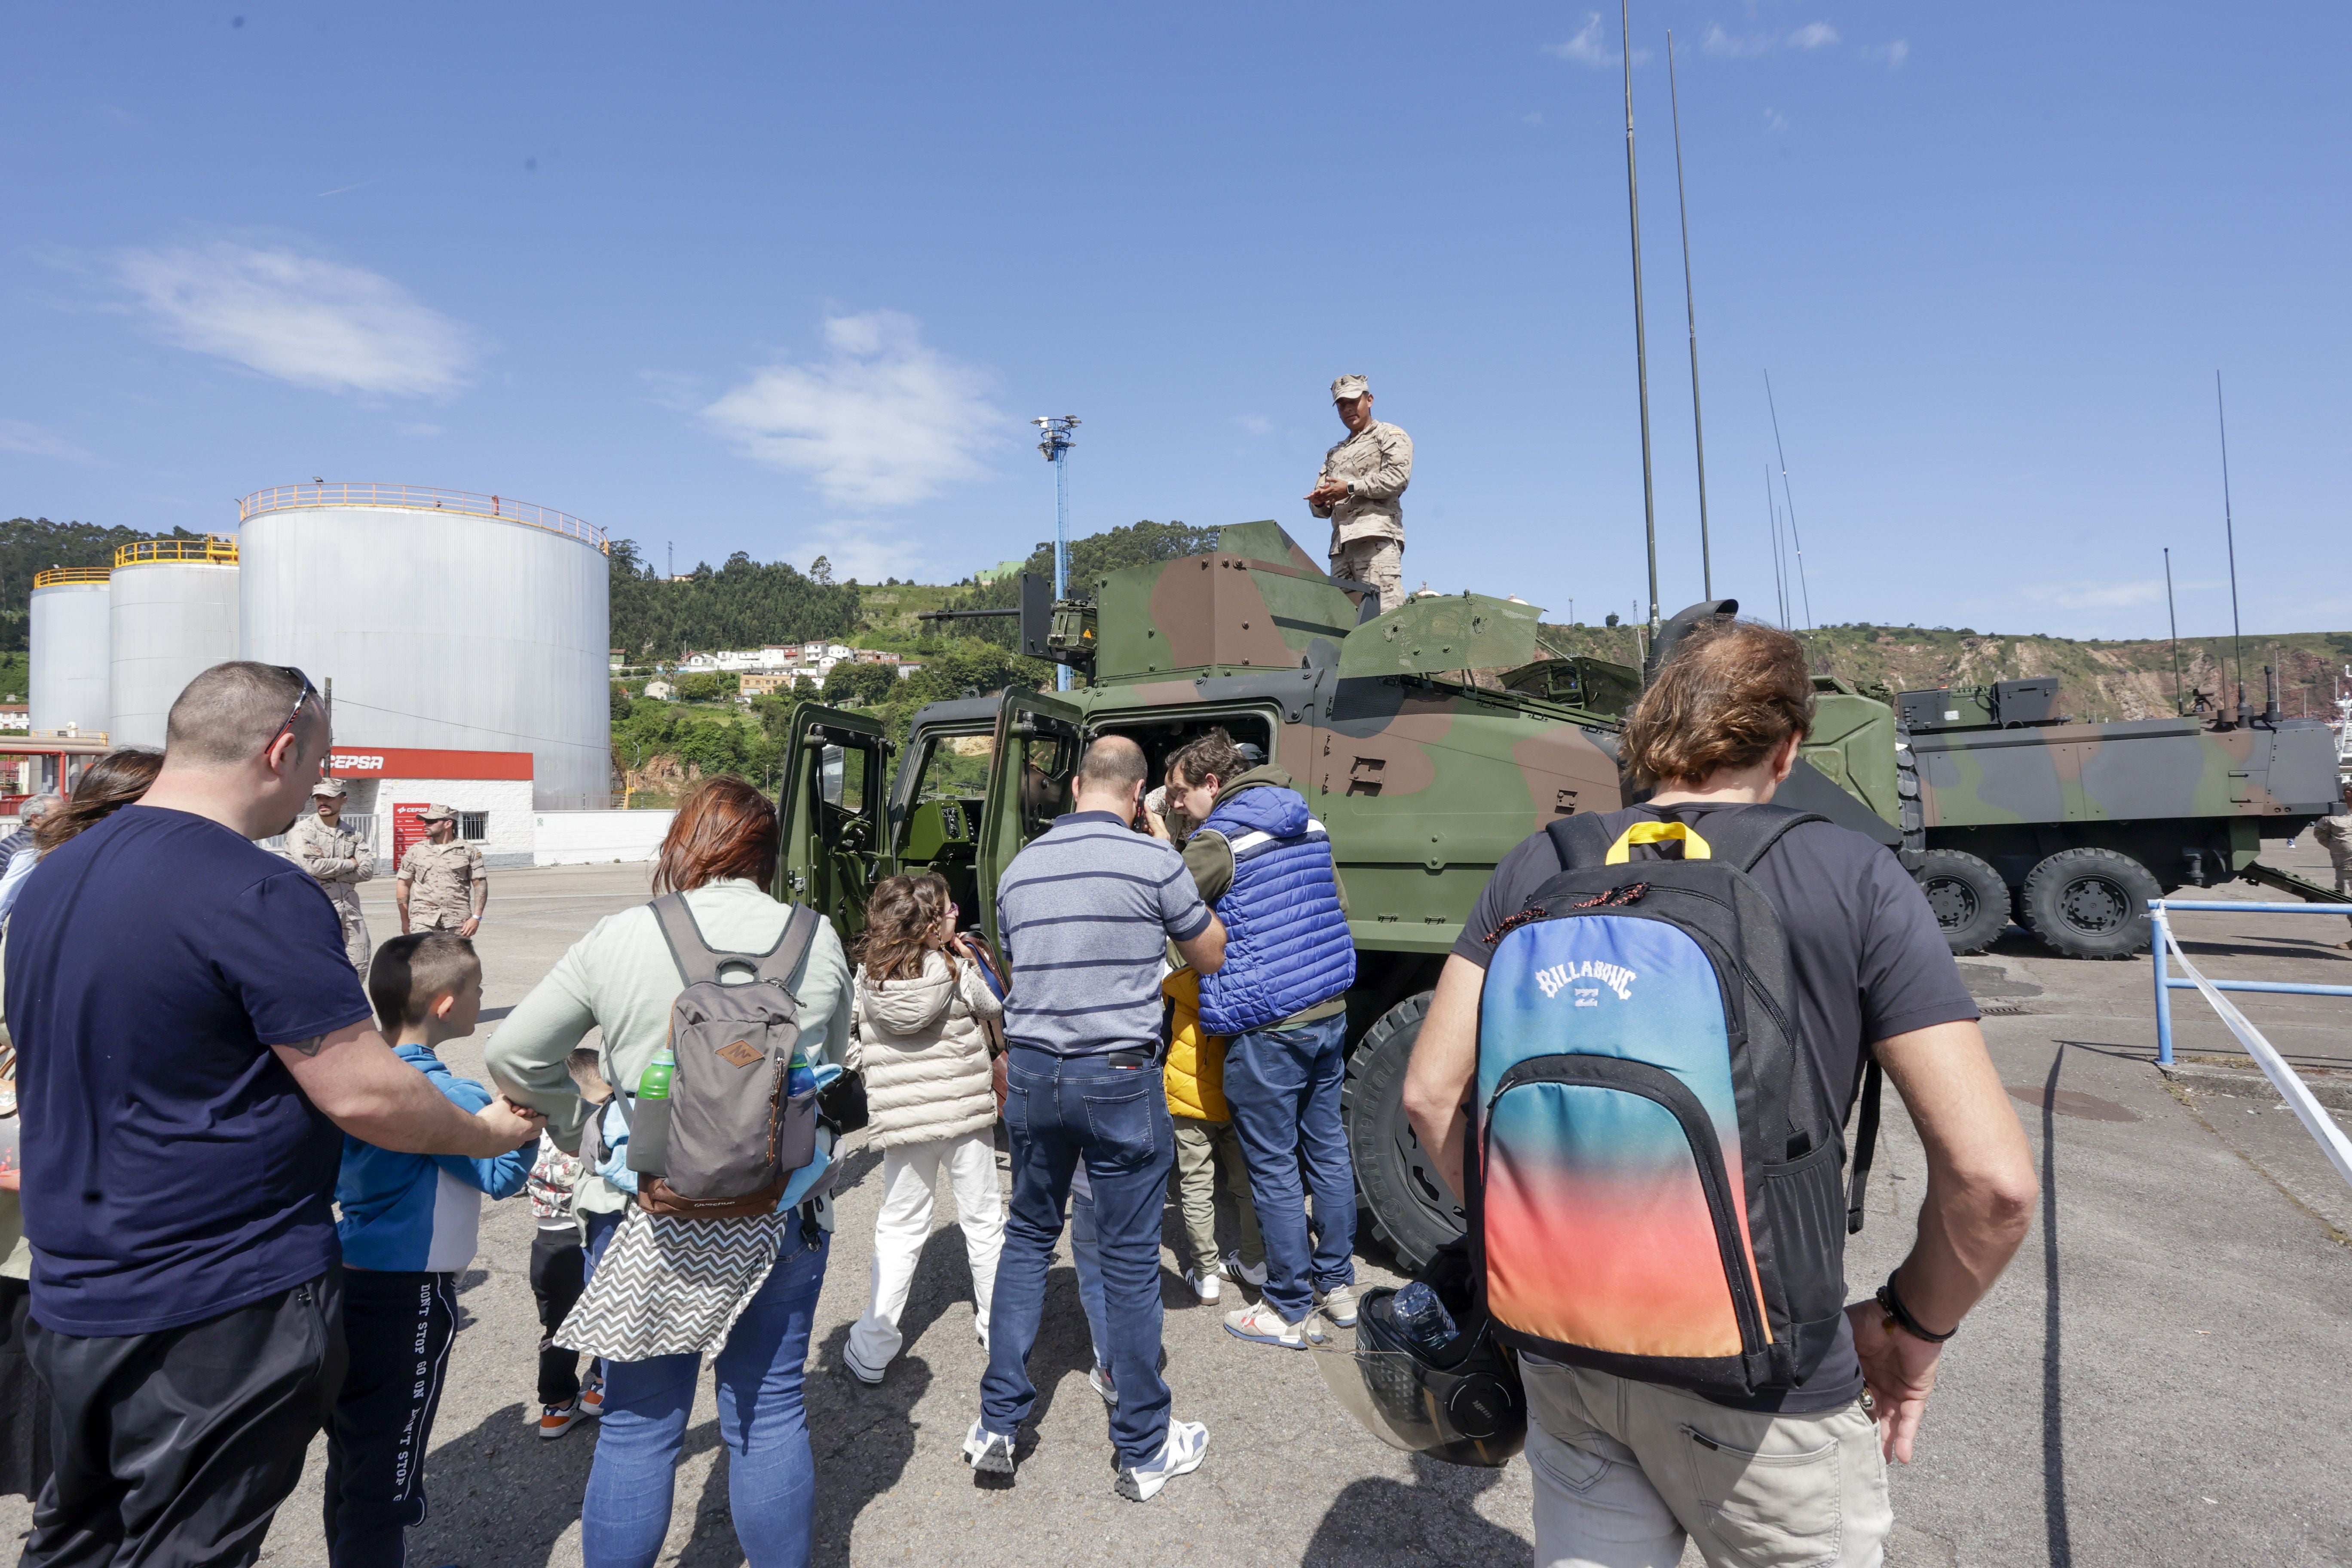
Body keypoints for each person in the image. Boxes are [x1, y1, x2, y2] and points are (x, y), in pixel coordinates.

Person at [1400, 619, 2039, 1568]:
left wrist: (1548, 1251)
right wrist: (1910, 1322)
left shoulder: (1541, 863)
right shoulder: (1850, 871)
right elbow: (1994, 1184)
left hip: (1566, 1353)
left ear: (1647, 733)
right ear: (1787, 749)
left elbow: (1427, 1094)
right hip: (1765, 1378)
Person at [7, 661, 543, 1568]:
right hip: (214, 1305)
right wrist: (486, 1133)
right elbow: (365, 1089)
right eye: (318, 762)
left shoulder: (58, 874)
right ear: (283, 750)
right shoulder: (253, 888)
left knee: (81, 1538)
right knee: (188, 1547)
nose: (314, 787)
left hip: (75, 1289)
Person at [487, 777, 851, 1568]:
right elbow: (834, 1066)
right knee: (770, 1411)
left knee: (636, 1425)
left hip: (643, 1212)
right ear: (765, 853)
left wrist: (578, 1119)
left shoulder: (622, 932)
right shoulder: (816, 937)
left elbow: (513, 1052)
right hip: (777, 1210)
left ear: (682, 846)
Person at [970, 735, 1227, 1502]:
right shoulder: (1154, 862)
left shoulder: (1018, 869)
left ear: (1077, 783)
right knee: (1123, 1257)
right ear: (1141, 790)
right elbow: (1209, 953)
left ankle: (996, 1424)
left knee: (1026, 1239)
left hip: (1034, 1075)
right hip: (1116, 1076)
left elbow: (1019, 961)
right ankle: (1144, 1445)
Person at [325, 932, 534, 1568]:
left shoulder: (361, 1085)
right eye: (476, 990)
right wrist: (525, 1127)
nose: (482, 997)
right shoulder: (454, 1096)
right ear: (446, 1005)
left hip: (349, 1279)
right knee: (389, 1469)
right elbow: (500, 1176)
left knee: (355, 1452)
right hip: (413, 1294)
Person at [1149, 729, 1357, 1347]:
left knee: (1271, 1167)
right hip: (1328, 1010)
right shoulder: (1308, 822)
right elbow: (1336, 904)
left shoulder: (1219, 840)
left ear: (1213, 783)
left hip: (1268, 1024)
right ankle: (1339, 1287)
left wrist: (1165, 843)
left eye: (1183, 793)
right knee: (1327, 1151)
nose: (1179, 805)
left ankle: (1289, 1306)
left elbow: (1169, 909)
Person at [843, 873, 1005, 1385]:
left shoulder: (867, 979)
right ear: (933, 924)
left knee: (900, 1226)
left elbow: (847, 1041)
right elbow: (995, 1008)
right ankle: (997, 1326)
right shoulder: (956, 971)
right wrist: (957, 948)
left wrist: (874, 1070)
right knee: (983, 1220)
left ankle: (873, 1346)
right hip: (963, 1117)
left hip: (905, 1122)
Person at [1158, 966, 1265, 1305]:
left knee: (1196, 1185)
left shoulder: (1179, 985)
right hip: (1238, 1095)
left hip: (1190, 1098)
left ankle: (1206, 1276)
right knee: (1247, 1183)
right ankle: (1254, 1263)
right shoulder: (1250, 978)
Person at [1306, 373, 1412, 612]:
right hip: (1341, 550)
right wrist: (1320, 502)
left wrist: (1350, 488)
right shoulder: (1335, 453)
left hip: (1375, 542)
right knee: (1342, 625)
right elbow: (1320, 508)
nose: (1348, 409)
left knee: (1384, 621)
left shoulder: (1388, 435)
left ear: (1370, 400)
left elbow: (1397, 479)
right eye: (1342, 405)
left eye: (1354, 401)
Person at [526, 1132, 606, 1438]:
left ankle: (556, 1407)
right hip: (586, 1231)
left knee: (557, 1326)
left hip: (546, 1241)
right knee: (604, 1309)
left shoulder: (538, 1133)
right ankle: (601, 1384)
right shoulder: (588, 1130)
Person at [288, 777, 377, 977]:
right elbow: (312, 867)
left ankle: (348, 1005)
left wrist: (330, 872)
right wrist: (350, 864)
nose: (323, 802)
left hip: (350, 910)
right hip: (315, 910)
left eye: (329, 797)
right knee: (316, 967)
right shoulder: (303, 831)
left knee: (359, 964)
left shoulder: (353, 834)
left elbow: (367, 871)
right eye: (318, 798)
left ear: (343, 800)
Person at [397, 803, 485, 936]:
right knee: (424, 956)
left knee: (457, 957)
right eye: (425, 821)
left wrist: (477, 917)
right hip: (423, 918)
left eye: (431, 821)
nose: (425, 824)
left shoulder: (469, 851)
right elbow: (404, 883)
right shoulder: (416, 851)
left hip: (458, 918)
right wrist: (405, 921)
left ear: (448, 824)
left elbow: (480, 885)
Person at [2309, 782, 2352, 950]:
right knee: (2348, 902)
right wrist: (2340, 849)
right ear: (2348, 793)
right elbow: (2320, 835)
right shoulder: (2332, 816)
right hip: (2347, 867)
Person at [0, 793, 59, 881]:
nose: (68, 818)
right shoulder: (31, 851)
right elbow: (10, 892)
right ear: (36, 818)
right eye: (60, 814)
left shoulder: (16, 840)